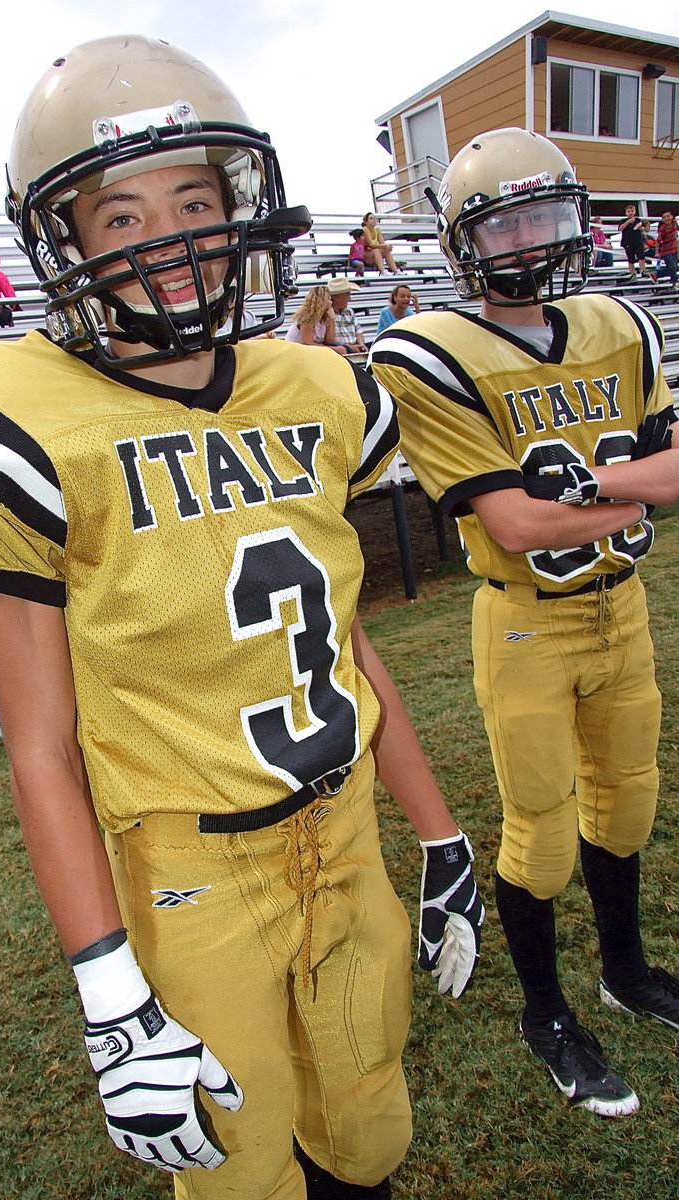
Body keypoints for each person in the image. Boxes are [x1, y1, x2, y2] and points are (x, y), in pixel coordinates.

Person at [0, 35, 484, 1200]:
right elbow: (42, 749)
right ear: (62, 242)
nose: (173, 237)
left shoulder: (313, 388)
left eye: (196, 199)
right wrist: (111, 997)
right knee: (240, 1176)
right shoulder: (25, 422)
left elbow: (346, 643)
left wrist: (441, 833)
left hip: (347, 827)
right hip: (190, 872)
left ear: (242, 204)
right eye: (123, 217)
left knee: (366, 1133)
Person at [370, 127, 679, 1121]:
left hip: (619, 608)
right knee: (539, 830)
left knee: (627, 799)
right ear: (464, 243)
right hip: (525, 626)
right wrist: (639, 496)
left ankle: (622, 970)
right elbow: (510, 519)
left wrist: (598, 483)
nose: (534, 241)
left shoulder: (620, 323)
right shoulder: (426, 350)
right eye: (507, 223)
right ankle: (542, 1011)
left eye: (548, 214)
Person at [284, 283, 346, 352]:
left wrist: (332, 319)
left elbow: (330, 341)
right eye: (329, 299)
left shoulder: (324, 318)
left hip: (310, 353)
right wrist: (334, 350)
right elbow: (308, 344)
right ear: (321, 301)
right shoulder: (307, 317)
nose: (331, 302)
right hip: (296, 352)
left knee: (344, 348)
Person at [328, 275, 368, 353]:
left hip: (354, 347)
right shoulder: (327, 314)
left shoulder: (350, 312)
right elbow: (330, 340)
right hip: (339, 350)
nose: (349, 298)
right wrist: (350, 348)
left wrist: (361, 344)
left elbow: (359, 332)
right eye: (347, 294)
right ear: (338, 297)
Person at [618, 203, 648, 279]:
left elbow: (645, 229)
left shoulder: (638, 220)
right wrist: (628, 222)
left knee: (641, 256)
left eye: (632, 211)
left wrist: (641, 228)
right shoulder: (623, 220)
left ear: (635, 211)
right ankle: (633, 273)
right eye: (628, 211)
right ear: (626, 213)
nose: (630, 212)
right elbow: (620, 229)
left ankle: (643, 270)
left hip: (638, 241)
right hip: (628, 242)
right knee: (630, 258)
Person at [655, 210, 678, 289]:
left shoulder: (675, 223)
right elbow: (658, 241)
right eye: (664, 217)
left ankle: (656, 274)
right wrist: (657, 252)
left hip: (674, 249)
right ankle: (674, 282)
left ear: (672, 217)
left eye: (668, 216)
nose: (666, 218)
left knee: (674, 267)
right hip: (666, 251)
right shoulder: (663, 228)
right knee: (672, 266)